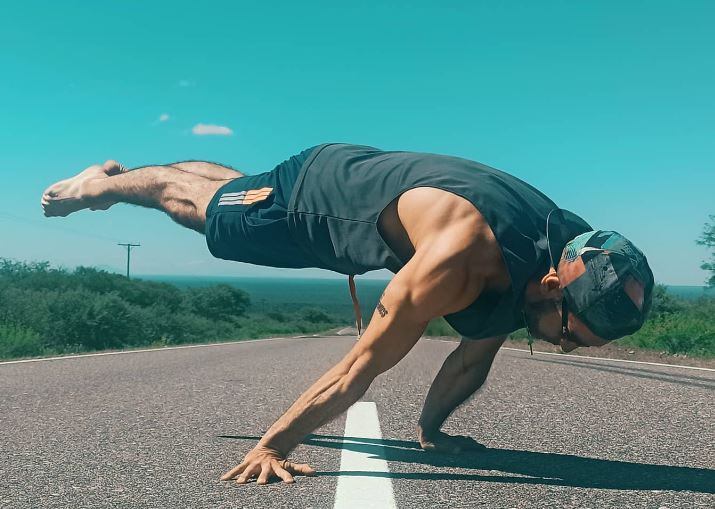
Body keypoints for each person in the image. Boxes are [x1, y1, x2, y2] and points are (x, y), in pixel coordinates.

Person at [41, 143, 654, 485]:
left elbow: (478, 348)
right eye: (571, 338)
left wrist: (432, 433)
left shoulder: (570, 246)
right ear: (552, 288)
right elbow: (360, 367)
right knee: (210, 213)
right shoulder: (458, 259)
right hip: (322, 198)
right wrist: (273, 445)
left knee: (238, 190)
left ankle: (190, 176)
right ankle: (97, 187)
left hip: (367, 180)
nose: (566, 347)